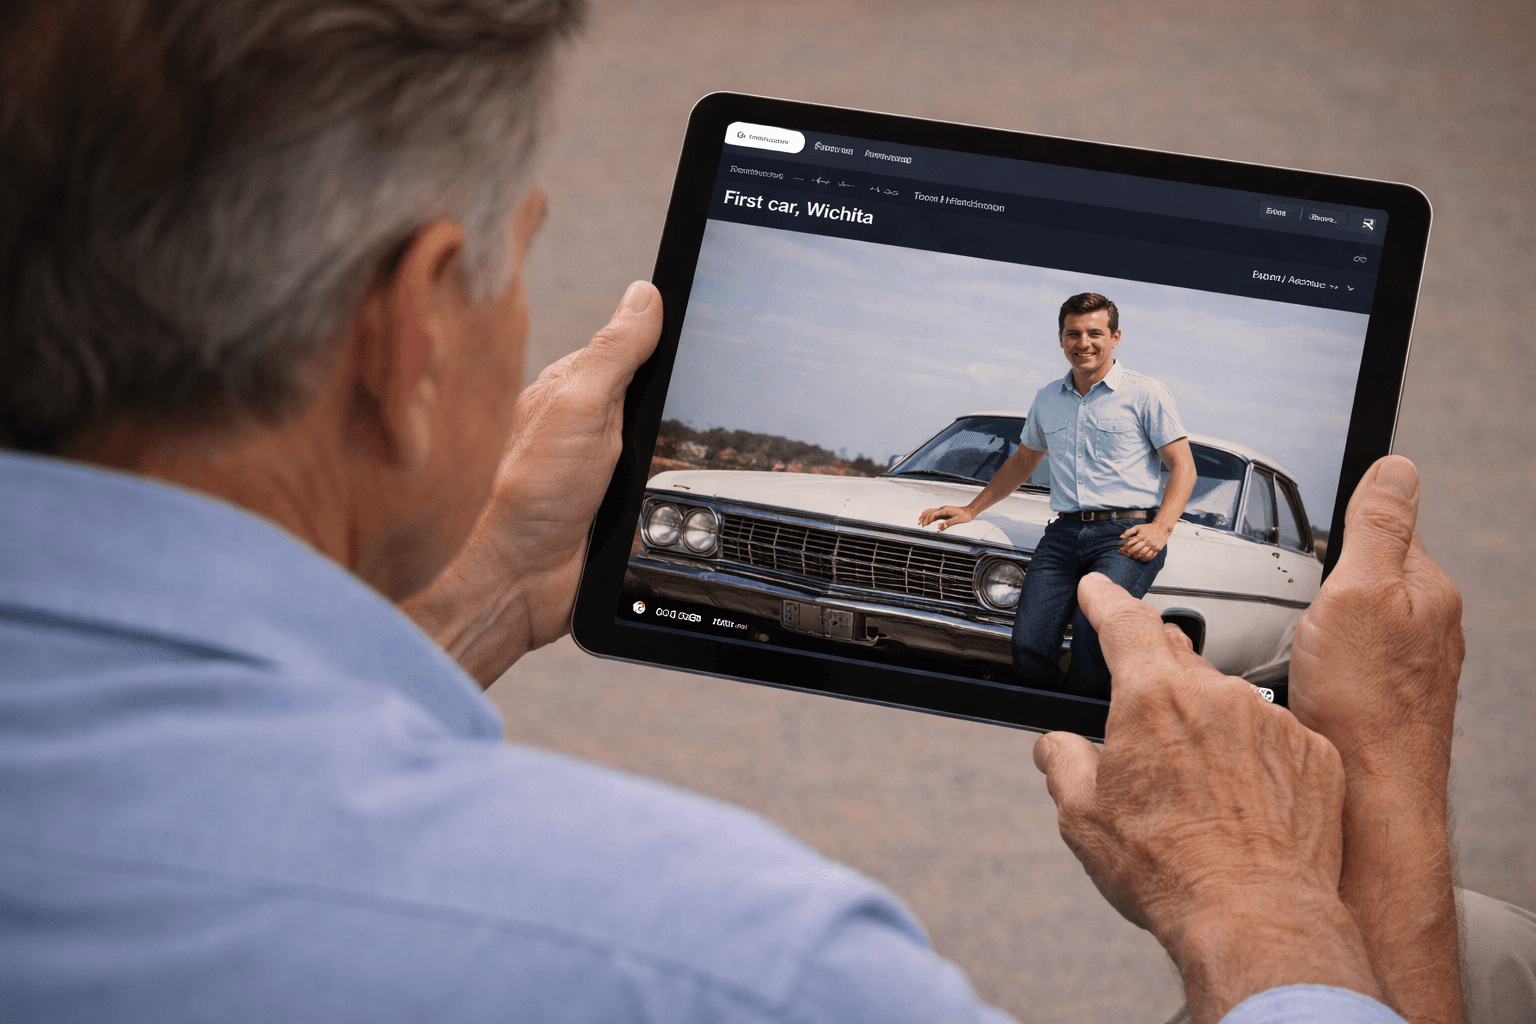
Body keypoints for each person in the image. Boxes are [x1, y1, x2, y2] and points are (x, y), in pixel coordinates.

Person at [2, 2, 1532, 1022]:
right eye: (509, 269)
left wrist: (469, 594)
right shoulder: (738, 967)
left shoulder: (1153, 414)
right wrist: (1271, 889)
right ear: (409, 335)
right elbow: (995, 473)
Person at [918, 294, 1197, 699]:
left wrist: (1161, 528)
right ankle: (1038, 719)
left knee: (1091, 635)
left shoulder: (1146, 394)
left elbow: (1184, 466)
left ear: (1115, 337)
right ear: (1061, 339)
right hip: (1063, 536)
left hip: (1126, 536)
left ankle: (1077, 727)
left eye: (1094, 333)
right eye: (1073, 334)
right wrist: (970, 509)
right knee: (1029, 640)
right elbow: (1022, 462)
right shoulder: (1047, 398)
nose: (1083, 342)